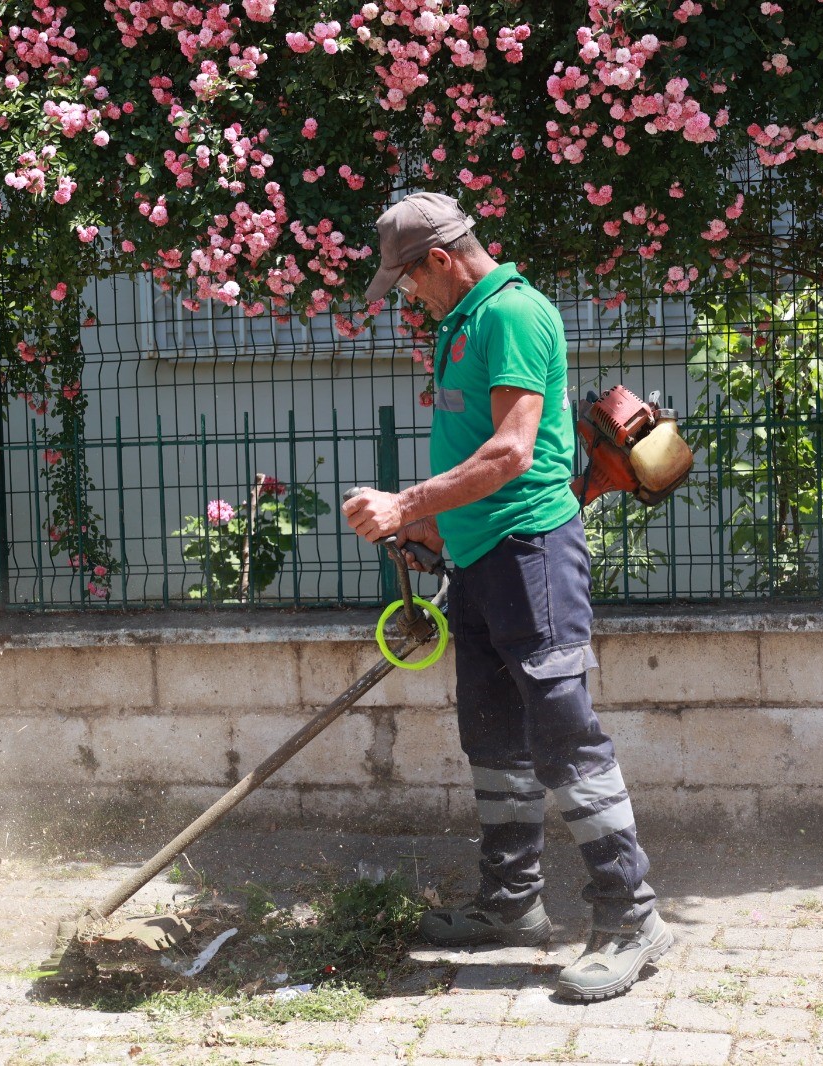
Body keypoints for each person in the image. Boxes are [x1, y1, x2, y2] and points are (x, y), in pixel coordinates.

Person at [343, 191, 670, 1002]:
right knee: (491, 734)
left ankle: (631, 917)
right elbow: (470, 452)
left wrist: (406, 506)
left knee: (562, 730)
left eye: (409, 282)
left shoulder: (513, 316)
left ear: (441, 261)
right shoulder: (460, 325)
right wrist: (435, 534)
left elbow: (512, 452)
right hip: (480, 556)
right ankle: (510, 903)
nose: (408, 298)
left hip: (533, 553)